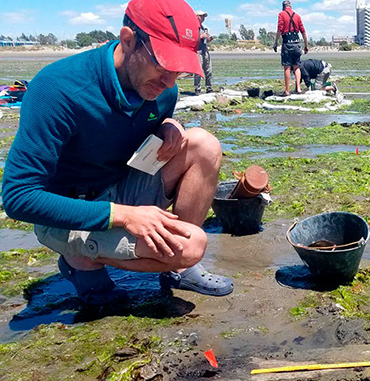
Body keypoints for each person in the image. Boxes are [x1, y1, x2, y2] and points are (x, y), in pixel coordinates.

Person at [1, 0, 234, 306]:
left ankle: (178, 270)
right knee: (191, 246)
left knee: (203, 143)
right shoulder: (58, 89)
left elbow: (124, 133)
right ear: (128, 39)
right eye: (163, 65)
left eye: (179, 72)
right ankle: (80, 262)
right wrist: (123, 216)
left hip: (118, 186)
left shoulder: (164, 91)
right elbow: (19, 197)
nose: (169, 82)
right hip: (68, 211)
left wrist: (166, 126)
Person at [273, 0, 308, 96]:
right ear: (290, 6)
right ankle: (299, 89)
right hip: (297, 43)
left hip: (287, 43)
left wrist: (275, 42)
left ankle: (287, 91)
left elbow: (279, 29)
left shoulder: (281, 14)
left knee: (287, 68)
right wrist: (306, 46)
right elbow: (303, 32)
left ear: (283, 7)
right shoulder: (297, 16)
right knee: (296, 67)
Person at [194, 10, 213, 95]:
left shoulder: (203, 28)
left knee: (208, 70)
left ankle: (209, 88)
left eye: (204, 16)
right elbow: (191, 39)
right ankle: (197, 89)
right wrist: (201, 36)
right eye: (202, 16)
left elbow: (206, 40)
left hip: (205, 50)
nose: (203, 18)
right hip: (198, 51)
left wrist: (209, 39)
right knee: (198, 71)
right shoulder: (193, 27)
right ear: (196, 16)